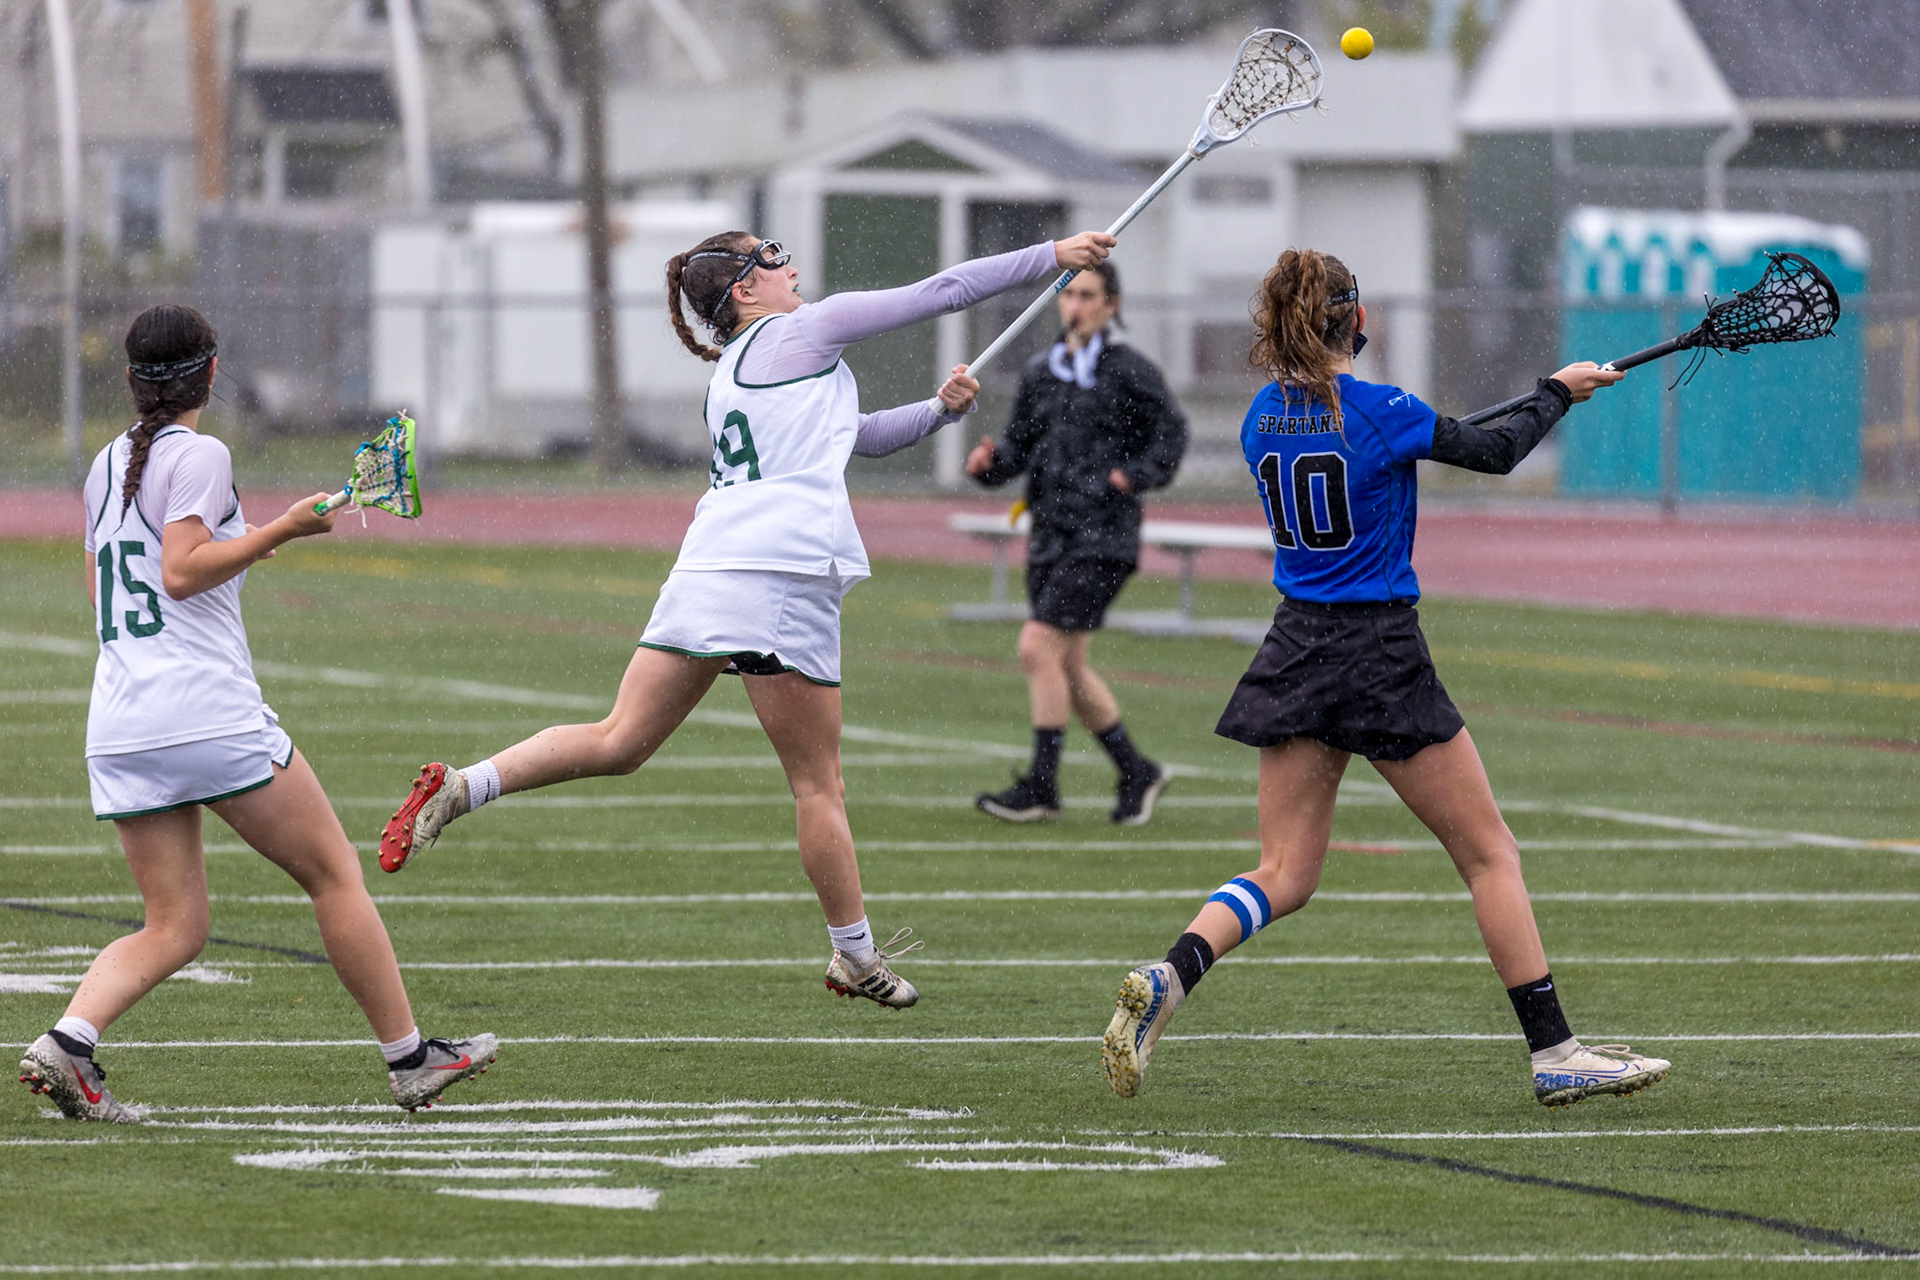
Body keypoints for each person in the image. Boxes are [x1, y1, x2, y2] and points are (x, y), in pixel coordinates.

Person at [379, 228, 1119, 1009]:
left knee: (619, 740)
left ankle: (467, 785)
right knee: (817, 784)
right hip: (784, 571)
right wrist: (1051, 255)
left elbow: (857, 438)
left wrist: (937, 411)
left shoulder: (731, 372)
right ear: (744, 288)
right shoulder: (804, 331)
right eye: (772, 257)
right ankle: (854, 955)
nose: (789, 266)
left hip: (711, 565)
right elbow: (940, 293)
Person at [1099, 249, 1671, 1109]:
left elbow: (1371, 441)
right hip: (1377, 650)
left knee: (1283, 870)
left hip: (1296, 645)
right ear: (1357, 320)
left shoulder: (1261, 417)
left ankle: (1171, 974)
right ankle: (1555, 1051)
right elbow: (1495, 451)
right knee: (1490, 855)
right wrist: (1556, 393)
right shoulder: (1386, 410)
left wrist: (1514, 402)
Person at [18, 305, 495, 1124]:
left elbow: (115, 584)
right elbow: (180, 572)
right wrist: (284, 528)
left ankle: (69, 1043)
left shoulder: (106, 462)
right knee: (333, 875)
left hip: (123, 720)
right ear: (210, 372)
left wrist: (243, 548)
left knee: (175, 924)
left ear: (133, 380)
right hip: (206, 713)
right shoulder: (201, 453)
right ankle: (410, 1059)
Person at [965, 261, 1188, 826]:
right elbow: (1017, 449)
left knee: (1037, 646)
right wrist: (989, 467)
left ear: (1112, 304)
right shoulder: (1043, 371)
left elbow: (1172, 434)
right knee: (1066, 665)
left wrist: (1132, 476)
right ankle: (1137, 771)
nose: (1076, 305)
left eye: (1088, 295)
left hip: (1104, 537)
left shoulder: (1129, 370)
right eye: (1069, 295)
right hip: (1050, 534)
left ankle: (1042, 786)